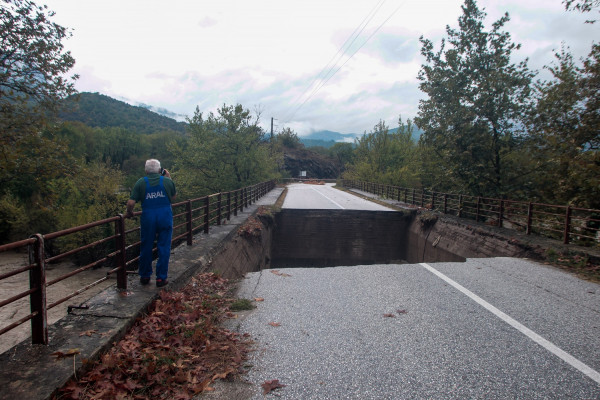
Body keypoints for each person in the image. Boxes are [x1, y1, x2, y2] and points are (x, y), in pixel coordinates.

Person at [126, 159, 176, 287]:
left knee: (146, 246)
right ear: (160, 170)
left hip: (148, 217)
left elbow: (131, 202)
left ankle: (145, 275)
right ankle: (161, 278)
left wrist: (129, 212)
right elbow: (173, 197)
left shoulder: (141, 182)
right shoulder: (167, 181)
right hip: (165, 216)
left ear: (146, 170)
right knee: (164, 246)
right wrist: (168, 177)